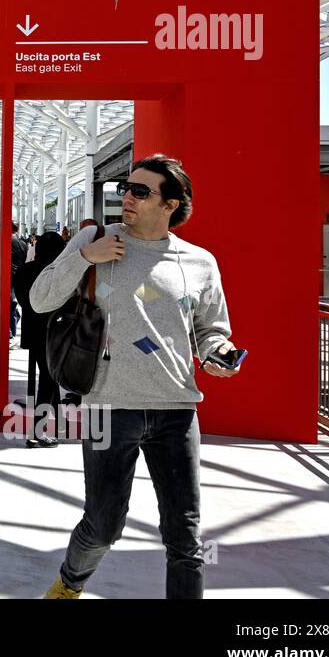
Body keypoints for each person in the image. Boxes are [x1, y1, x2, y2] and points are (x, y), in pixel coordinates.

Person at [32, 155, 239, 600]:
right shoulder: (96, 239)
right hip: (110, 405)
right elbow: (40, 298)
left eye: (141, 191)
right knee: (104, 525)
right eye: (127, 187)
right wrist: (85, 256)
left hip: (177, 410)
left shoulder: (199, 261)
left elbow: (210, 328)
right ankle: (69, 584)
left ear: (171, 204)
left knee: (185, 536)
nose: (127, 196)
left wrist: (218, 352)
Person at [14, 231, 64, 448]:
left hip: (31, 330)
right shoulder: (59, 272)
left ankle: (57, 419)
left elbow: (22, 300)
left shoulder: (25, 270)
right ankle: (37, 430)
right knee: (49, 379)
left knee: (45, 377)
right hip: (55, 332)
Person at [10, 222, 29, 346]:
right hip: (20, 277)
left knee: (6, 306)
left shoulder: (7, 242)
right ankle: (12, 326)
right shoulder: (23, 243)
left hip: (9, 277)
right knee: (11, 304)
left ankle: (10, 333)